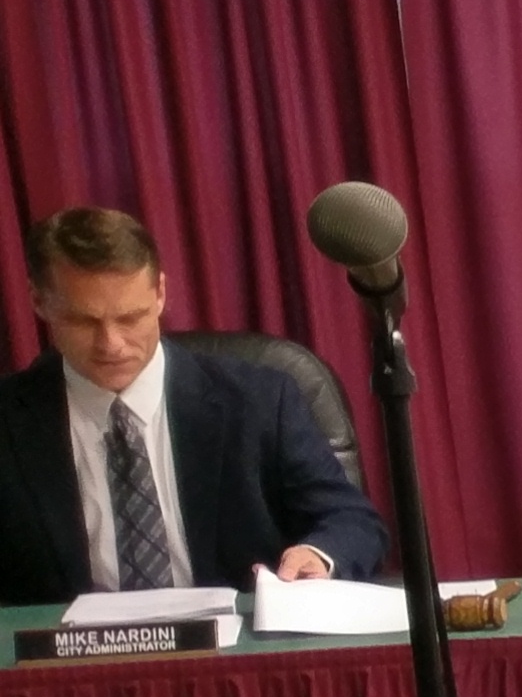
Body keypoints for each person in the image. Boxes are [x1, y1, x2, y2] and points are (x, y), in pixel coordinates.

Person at [1, 207, 386, 604]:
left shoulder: (259, 400)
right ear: (39, 302)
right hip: (68, 661)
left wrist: (318, 556)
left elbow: (351, 520)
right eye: (84, 322)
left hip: (234, 654)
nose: (111, 344)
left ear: (161, 294)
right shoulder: (9, 421)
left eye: (131, 318)